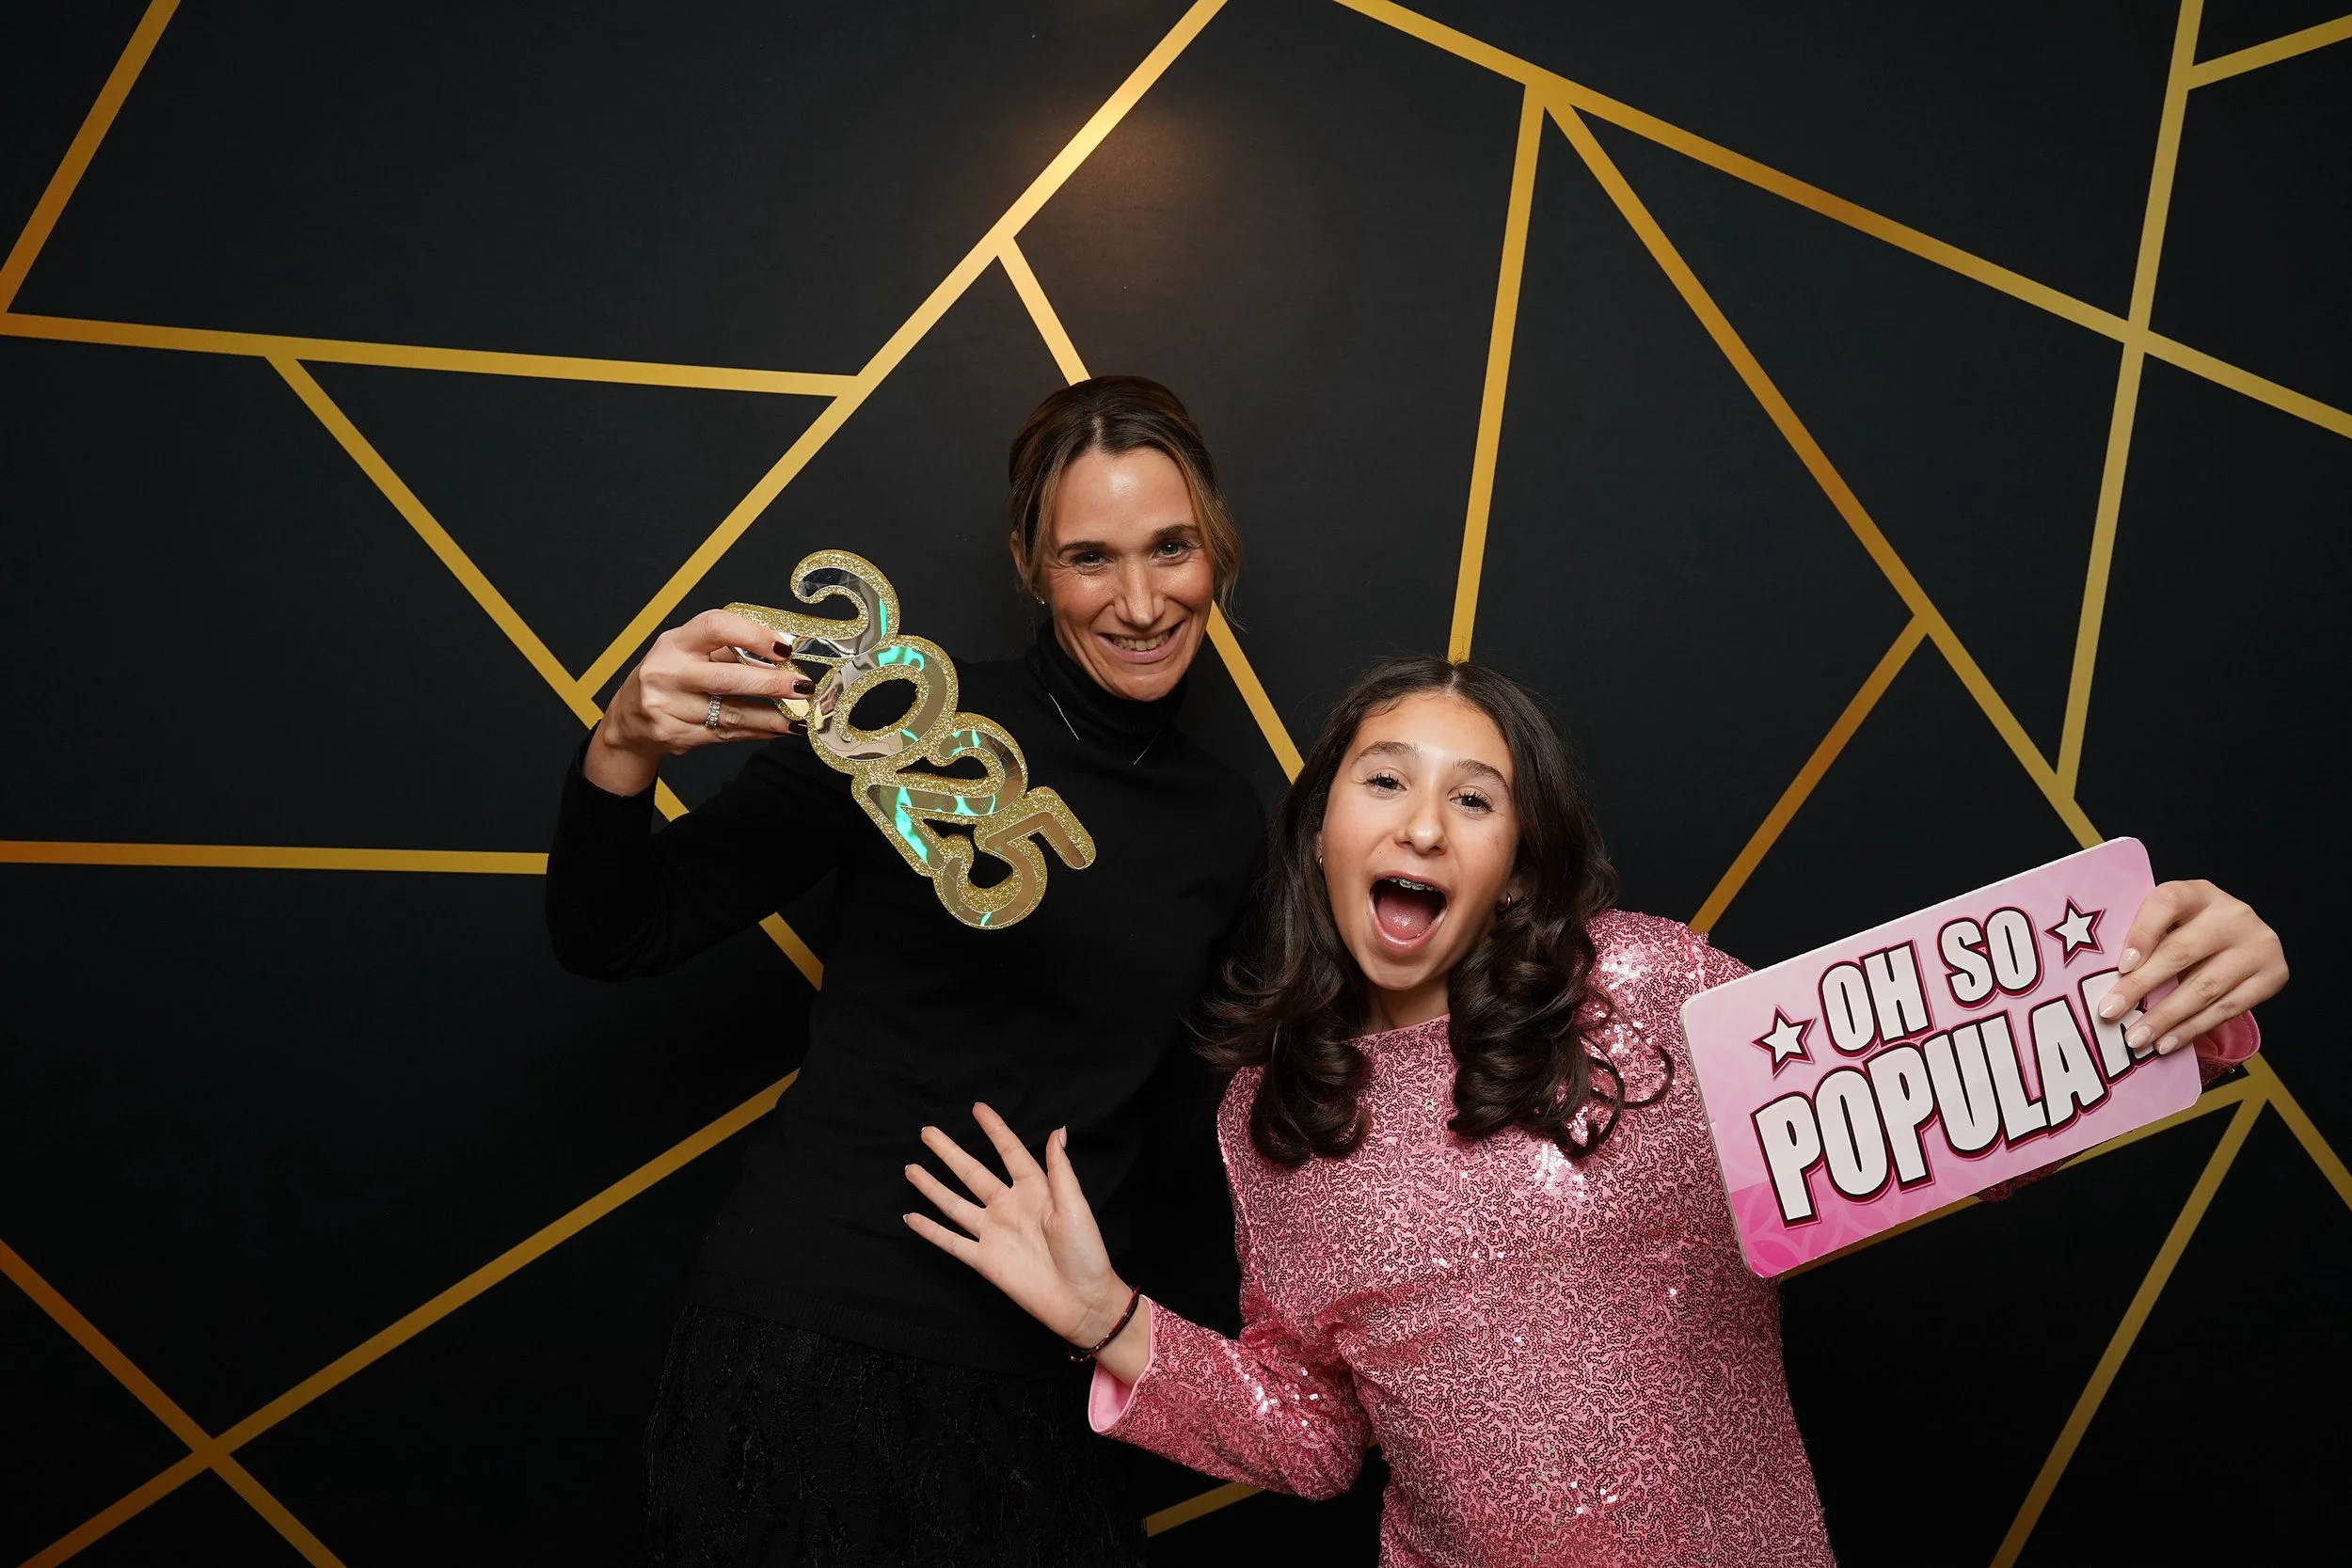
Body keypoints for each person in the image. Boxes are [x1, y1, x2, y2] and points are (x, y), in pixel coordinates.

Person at [904, 657, 2287, 1567]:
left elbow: (1918, 1117)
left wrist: (2165, 998)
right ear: (1323, 822)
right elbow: (1321, 1434)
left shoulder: (1647, 979)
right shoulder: (1270, 1111)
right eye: (1385, 778)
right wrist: (1114, 1319)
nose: (1424, 825)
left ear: (1517, 865)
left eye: (1477, 795)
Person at [546, 376, 1266, 1565]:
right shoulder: (900, 726)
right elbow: (615, 931)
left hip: (1046, 1370)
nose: (1141, 600)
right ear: (1031, 564)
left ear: (1215, 550)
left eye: (1171, 547)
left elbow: (1190, 1128)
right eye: (1091, 556)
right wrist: (621, 743)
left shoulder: (1228, 822)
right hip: (813, 1339)